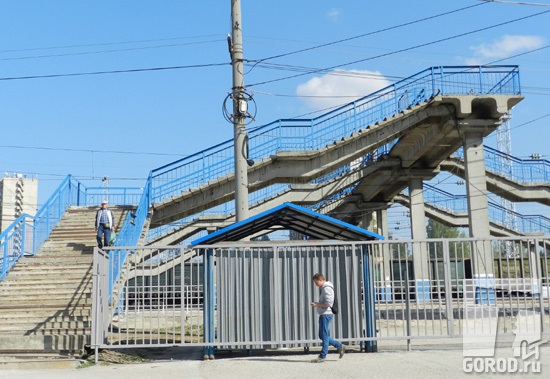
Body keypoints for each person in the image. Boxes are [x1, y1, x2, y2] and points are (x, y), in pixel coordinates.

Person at [310, 272, 346, 363]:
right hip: (324, 314)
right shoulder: (324, 288)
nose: (316, 284)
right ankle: (340, 346)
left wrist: (317, 304)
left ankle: (322, 356)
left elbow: (328, 304)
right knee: (322, 335)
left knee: (324, 336)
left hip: (326, 314)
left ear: (320, 280)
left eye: (316, 282)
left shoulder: (327, 289)